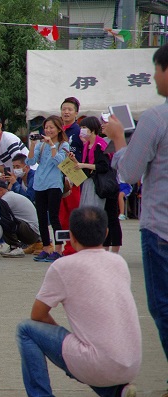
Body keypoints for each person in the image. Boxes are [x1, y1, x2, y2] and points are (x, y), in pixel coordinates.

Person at [16, 206, 141, 397]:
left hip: (96, 363)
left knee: (26, 329)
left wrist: (61, 340)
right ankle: (116, 392)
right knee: (86, 351)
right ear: (106, 233)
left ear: (71, 237)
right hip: (131, 364)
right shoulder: (118, 263)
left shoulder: (63, 266)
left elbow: (37, 315)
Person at [105, 43, 168, 377]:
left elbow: (128, 173)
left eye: (157, 69)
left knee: (163, 307)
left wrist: (118, 139)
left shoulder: (156, 118)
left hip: (160, 228)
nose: (155, 77)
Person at [69, 116, 122, 253]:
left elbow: (103, 166)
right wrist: (76, 162)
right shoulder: (87, 145)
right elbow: (87, 167)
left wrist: (83, 164)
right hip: (95, 185)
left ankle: (114, 249)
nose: (82, 131)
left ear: (93, 129)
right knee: (100, 218)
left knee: (111, 219)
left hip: (106, 187)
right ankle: (104, 247)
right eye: (81, 128)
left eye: (84, 128)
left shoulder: (100, 145)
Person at [26, 115, 70, 263]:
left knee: (55, 217)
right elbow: (30, 161)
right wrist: (33, 145)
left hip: (54, 184)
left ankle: (58, 249)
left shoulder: (63, 145)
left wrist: (52, 145)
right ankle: (46, 247)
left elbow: (60, 161)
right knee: (41, 218)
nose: (48, 130)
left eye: (51, 127)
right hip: (39, 183)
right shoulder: (41, 145)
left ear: (59, 129)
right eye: (46, 128)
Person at [0, 177, 41, 258]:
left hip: (31, 233)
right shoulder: (9, 196)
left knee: (4, 220)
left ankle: (15, 247)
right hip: (31, 231)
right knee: (5, 219)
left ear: (1, 190)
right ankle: (13, 246)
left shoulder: (7, 198)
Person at [59, 97, 84, 256]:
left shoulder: (79, 131)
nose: (66, 112)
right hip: (59, 177)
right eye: (64, 109)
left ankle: (76, 247)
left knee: (74, 212)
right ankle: (67, 247)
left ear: (76, 113)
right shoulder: (57, 130)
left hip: (75, 177)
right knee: (62, 215)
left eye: (70, 109)